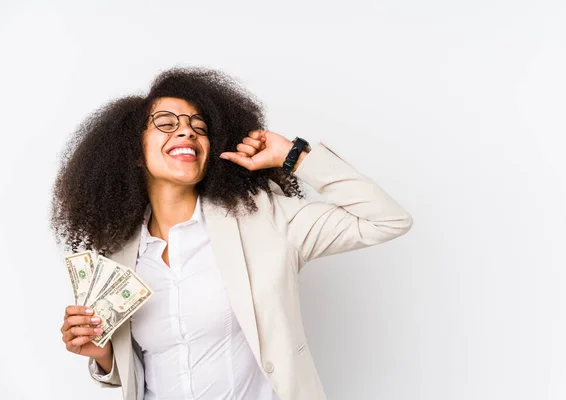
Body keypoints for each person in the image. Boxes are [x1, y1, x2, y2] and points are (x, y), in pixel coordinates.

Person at [55, 67, 413, 400]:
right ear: (133, 152)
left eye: (199, 126)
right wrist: (103, 356)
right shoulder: (119, 254)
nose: (187, 131)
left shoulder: (265, 221)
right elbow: (143, 366)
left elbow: (387, 220)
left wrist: (294, 155)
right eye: (165, 123)